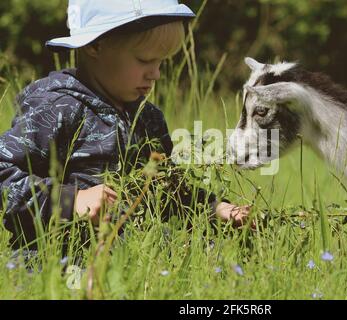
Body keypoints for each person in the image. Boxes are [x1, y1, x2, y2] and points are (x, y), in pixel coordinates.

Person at [0, 0, 251, 250]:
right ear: (95, 45)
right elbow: (4, 174)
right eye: (144, 60)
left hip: (137, 263)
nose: (156, 74)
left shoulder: (148, 118)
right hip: (61, 262)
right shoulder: (56, 107)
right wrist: (72, 200)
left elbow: (165, 191)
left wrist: (215, 208)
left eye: (161, 61)